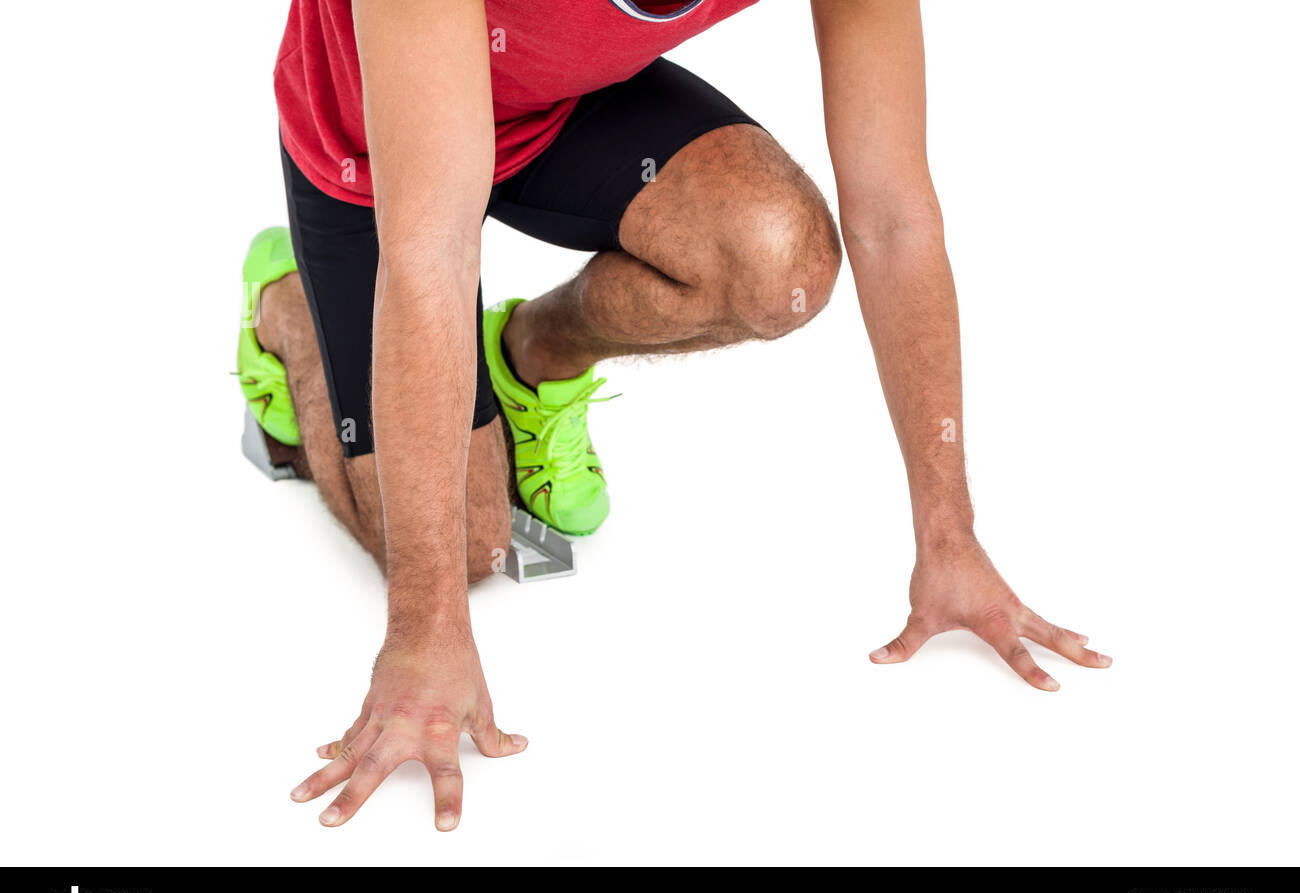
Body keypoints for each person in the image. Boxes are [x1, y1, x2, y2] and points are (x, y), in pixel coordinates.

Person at [238, 0, 1111, 831]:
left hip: (558, 105)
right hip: (372, 140)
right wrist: (425, 634)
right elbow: (429, 250)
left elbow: (893, 219)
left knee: (782, 262)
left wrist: (949, 537)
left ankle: (529, 356)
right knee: (469, 546)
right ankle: (290, 317)